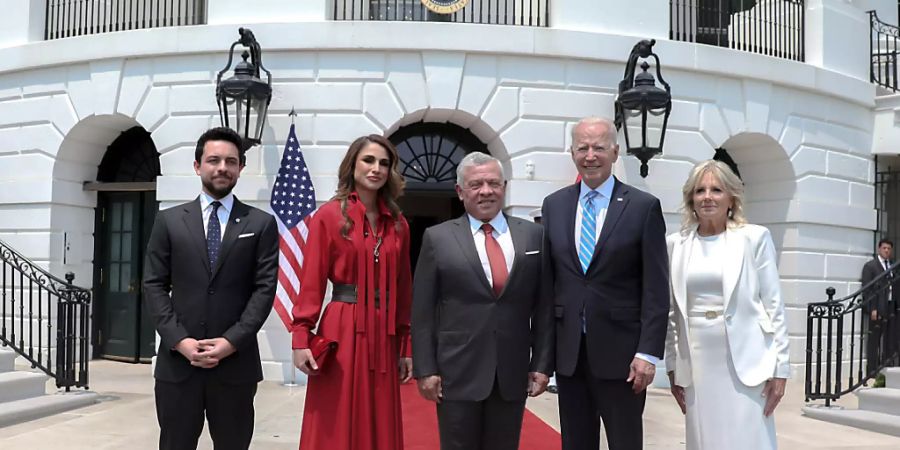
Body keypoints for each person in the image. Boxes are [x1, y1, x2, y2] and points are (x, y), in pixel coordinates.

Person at [143, 127, 279, 450]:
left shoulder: (260, 224)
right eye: (214, 160)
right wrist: (180, 341)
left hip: (235, 366)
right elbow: (154, 285)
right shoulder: (169, 221)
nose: (222, 167)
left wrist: (232, 341)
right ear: (197, 165)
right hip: (178, 366)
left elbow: (264, 291)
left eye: (231, 161)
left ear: (241, 168)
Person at [541, 116, 668, 450]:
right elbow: (549, 283)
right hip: (570, 355)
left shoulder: (643, 207)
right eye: (582, 147)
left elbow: (656, 287)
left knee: (625, 442)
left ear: (615, 151)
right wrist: (543, 356)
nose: (590, 155)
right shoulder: (554, 205)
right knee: (576, 442)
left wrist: (648, 353)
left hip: (623, 357)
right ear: (571, 153)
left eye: (598, 147)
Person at [412, 152, 553, 450]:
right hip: (456, 371)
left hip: (511, 372)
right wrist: (426, 369)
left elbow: (544, 307)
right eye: (476, 184)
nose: (486, 191)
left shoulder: (533, 236)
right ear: (460, 192)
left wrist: (541, 364)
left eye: (493, 183)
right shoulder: (437, 238)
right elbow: (423, 311)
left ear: (504, 186)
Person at [291, 135, 412, 450]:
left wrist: (406, 345)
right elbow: (312, 282)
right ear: (353, 165)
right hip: (342, 326)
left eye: (384, 163)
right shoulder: (329, 216)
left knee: (381, 414)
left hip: (384, 333)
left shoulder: (399, 225)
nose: (376, 169)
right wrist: (301, 336)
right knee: (336, 415)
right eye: (369, 160)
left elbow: (403, 290)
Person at [665, 159, 790, 450]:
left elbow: (774, 305)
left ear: (731, 197)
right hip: (696, 363)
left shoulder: (754, 238)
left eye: (716, 190)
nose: (707, 197)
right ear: (691, 199)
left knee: (748, 439)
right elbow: (671, 311)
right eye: (700, 190)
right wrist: (673, 366)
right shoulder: (676, 244)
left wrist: (780, 369)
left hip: (746, 361)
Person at [860, 238, 894, 375]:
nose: (886, 251)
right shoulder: (871, 266)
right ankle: (872, 369)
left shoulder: (891, 265)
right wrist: (872, 308)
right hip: (877, 307)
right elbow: (867, 289)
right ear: (879, 249)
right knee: (874, 339)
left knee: (889, 338)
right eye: (884, 248)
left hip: (890, 306)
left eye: (889, 249)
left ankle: (886, 366)